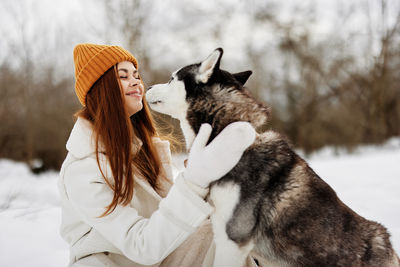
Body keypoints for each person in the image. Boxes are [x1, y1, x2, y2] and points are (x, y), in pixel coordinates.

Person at [58, 43, 257, 267]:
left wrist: (212, 181)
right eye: (123, 76)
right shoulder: (83, 169)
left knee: (239, 234)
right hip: (112, 263)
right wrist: (193, 182)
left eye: (136, 74)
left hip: (157, 256)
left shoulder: (143, 150)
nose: (136, 81)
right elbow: (141, 245)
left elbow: (170, 221)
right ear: (101, 90)